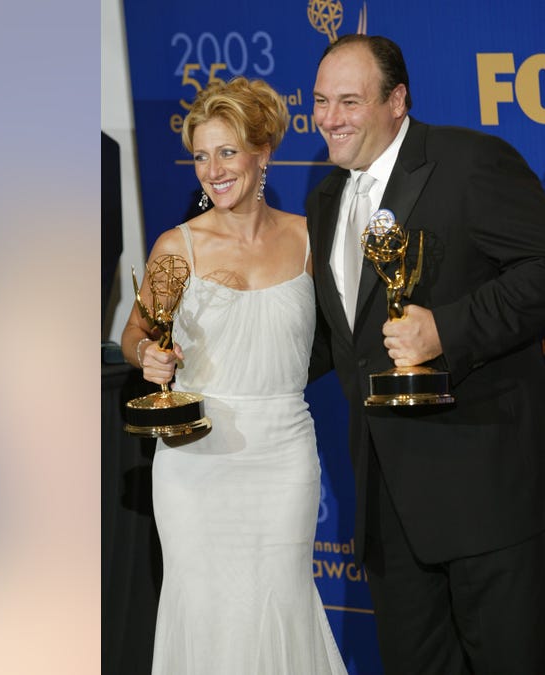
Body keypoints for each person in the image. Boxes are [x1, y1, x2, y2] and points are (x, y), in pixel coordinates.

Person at [307, 34, 545, 673]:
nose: (329, 119)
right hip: (390, 511)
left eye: (348, 101)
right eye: (319, 101)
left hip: (487, 499)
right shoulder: (326, 196)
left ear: (397, 101)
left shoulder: (470, 162)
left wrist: (447, 330)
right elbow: (338, 337)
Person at [119, 77, 347, 675]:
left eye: (226, 152)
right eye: (200, 155)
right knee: (206, 606)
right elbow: (136, 332)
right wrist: (147, 356)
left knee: (280, 601)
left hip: (282, 452)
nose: (212, 170)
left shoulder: (307, 238)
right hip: (196, 458)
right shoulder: (179, 245)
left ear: (262, 150)